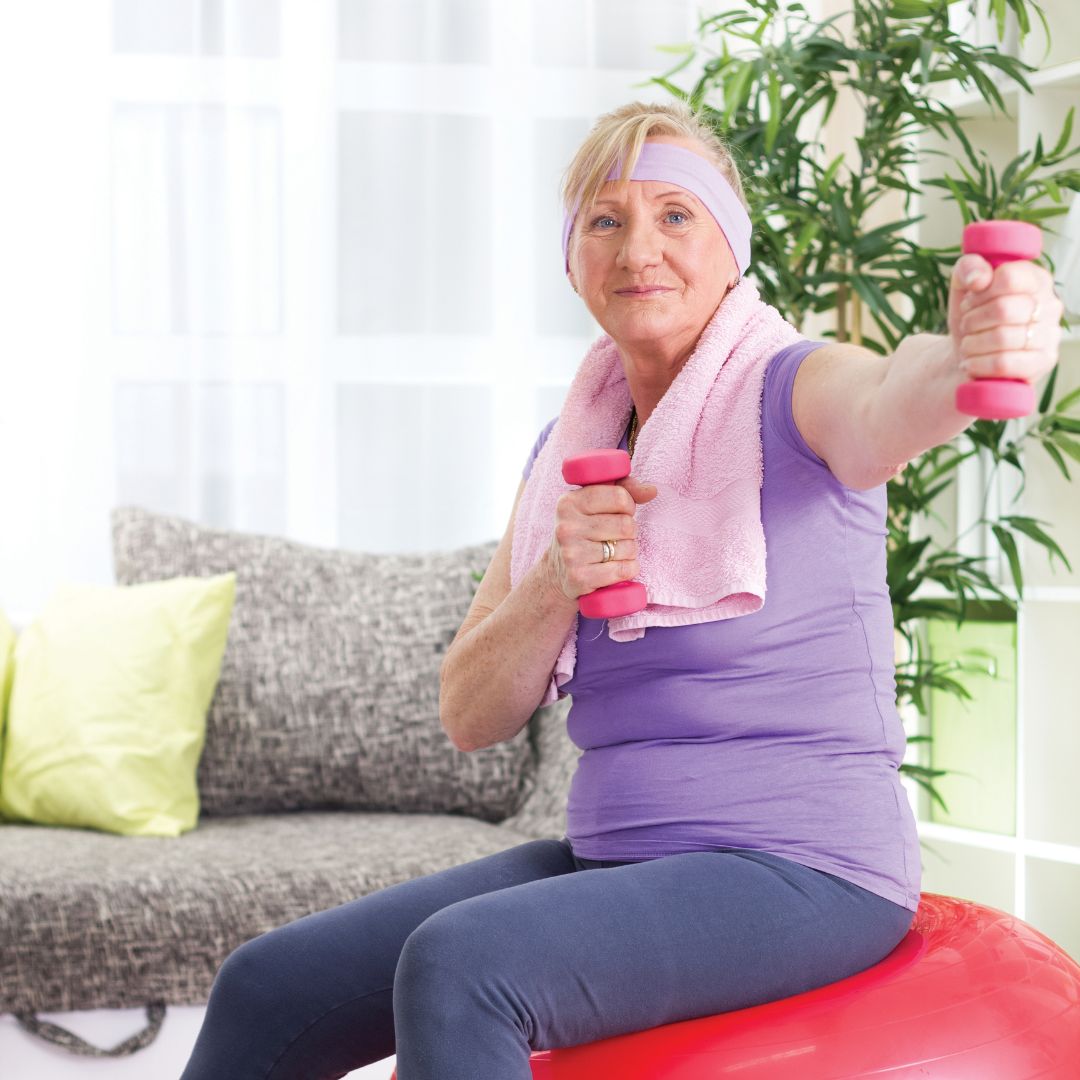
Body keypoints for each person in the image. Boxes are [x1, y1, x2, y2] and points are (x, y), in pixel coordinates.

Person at [180, 100, 1063, 1080]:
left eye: (677, 215)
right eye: (605, 220)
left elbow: (888, 400)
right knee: (266, 984)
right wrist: (560, 576)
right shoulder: (572, 451)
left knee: (461, 966)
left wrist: (974, 358)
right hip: (621, 855)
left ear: (731, 251)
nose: (639, 244)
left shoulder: (790, 390)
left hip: (806, 871)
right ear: (574, 265)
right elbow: (470, 712)